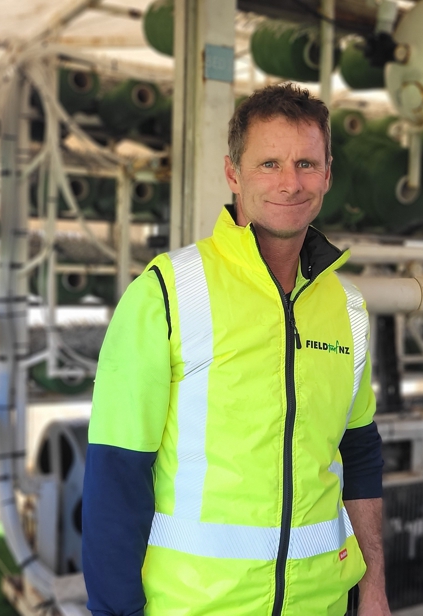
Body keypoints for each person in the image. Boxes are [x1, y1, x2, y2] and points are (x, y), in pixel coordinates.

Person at [82, 84, 389, 616]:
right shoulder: (166, 293)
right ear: (233, 174)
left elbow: (359, 456)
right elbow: (116, 474)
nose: (290, 183)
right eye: (268, 163)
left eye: (305, 164)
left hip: (320, 605)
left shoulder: (350, 309)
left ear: (328, 174)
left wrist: (374, 590)